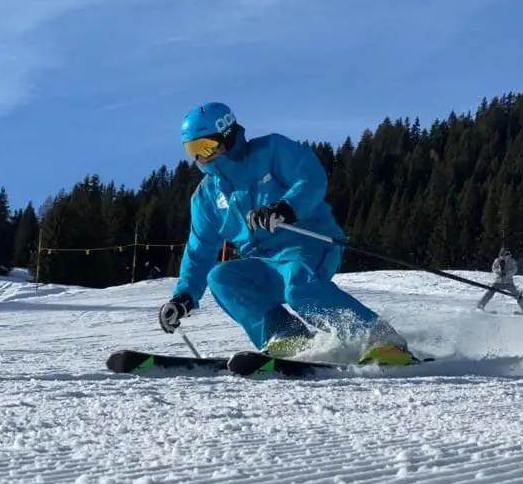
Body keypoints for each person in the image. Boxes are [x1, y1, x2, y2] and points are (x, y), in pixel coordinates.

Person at [156, 101, 412, 365]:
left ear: (228, 136)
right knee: (221, 277)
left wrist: (286, 208)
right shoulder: (207, 197)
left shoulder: (271, 151)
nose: (200, 158)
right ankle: (288, 337)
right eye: (192, 150)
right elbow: (199, 250)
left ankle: (382, 340)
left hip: (308, 243)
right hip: (264, 262)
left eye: (205, 146)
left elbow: (310, 177)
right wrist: (183, 296)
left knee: (300, 288)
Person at [477, 246, 523, 313]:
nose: (504, 255)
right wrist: (499, 272)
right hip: (498, 282)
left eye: (506, 253)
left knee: (517, 295)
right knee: (489, 293)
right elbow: (494, 269)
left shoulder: (512, 261)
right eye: (502, 253)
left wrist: (506, 274)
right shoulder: (497, 260)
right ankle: (480, 306)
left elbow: (514, 270)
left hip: (508, 282)